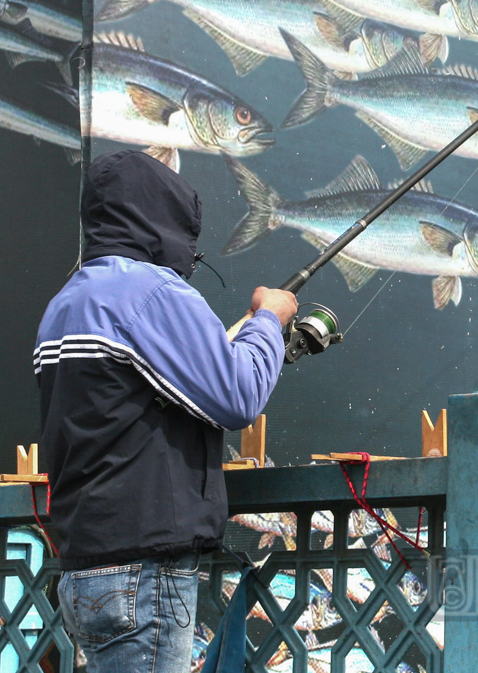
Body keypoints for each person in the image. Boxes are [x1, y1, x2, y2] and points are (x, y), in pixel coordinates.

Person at [35, 150, 297, 673]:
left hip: (84, 568)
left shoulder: (66, 302)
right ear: (165, 219)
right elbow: (239, 394)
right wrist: (270, 318)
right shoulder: (152, 290)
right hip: (143, 571)